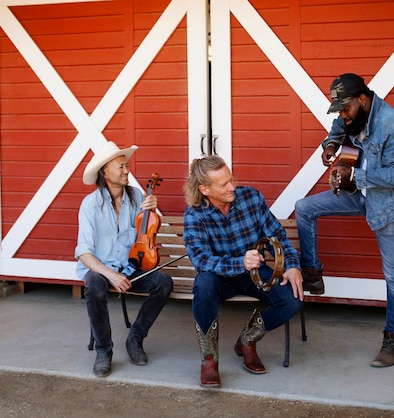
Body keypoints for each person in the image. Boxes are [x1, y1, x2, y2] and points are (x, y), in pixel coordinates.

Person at [295, 73, 394, 367]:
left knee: (393, 276)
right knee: (303, 207)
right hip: (358, 191)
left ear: (362, 100)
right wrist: (330, 144)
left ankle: (393, 340)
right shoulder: (352, 115)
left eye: (345, 108)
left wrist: (355, 175)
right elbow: (339, 127)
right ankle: (312, 272)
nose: (341, 114)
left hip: (389, 205)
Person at [183, 155, 304, 387]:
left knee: (292, 300)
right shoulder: (194, 214)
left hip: (254, 273)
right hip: (221, 278)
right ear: (204, 189)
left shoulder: (251, 197)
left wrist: (291, 265)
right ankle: (209, 360)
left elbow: (276, 236)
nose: (232, 187)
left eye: (231, 179)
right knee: (203, 284)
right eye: (223, 184)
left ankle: (246, 341)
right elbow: (201, 260)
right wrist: (239, 263)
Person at [75, 141, 173, 377]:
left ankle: (135, 339)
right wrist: (110, 275)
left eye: (126, 166)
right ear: (104, 172)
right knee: (95, 287)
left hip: (130, 268)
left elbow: (144, 232)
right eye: (120, 167)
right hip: (102, 270)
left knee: (163, 283)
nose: (127, 171)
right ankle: (103, 351)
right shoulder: (89, 205)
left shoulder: (136, 196)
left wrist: (150, 210)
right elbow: (84, 252)